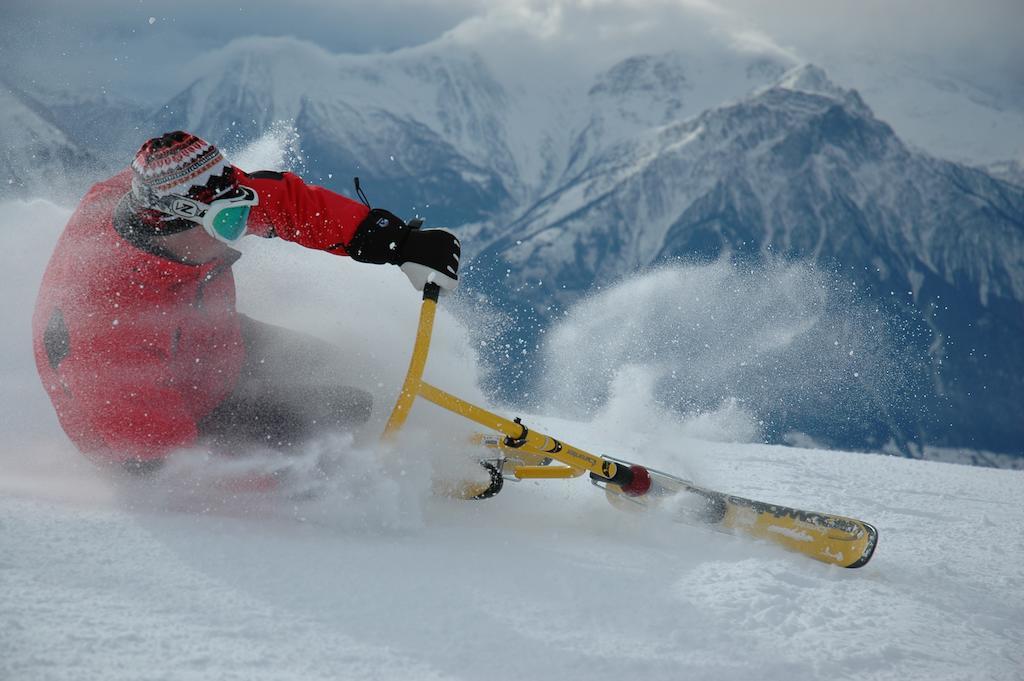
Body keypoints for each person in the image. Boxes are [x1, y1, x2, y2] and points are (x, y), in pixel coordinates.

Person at [32, 130, 460, 475]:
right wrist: (317, 478)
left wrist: (395, 241)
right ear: (174, 222)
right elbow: (169, 467)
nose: (242, 229)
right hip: (160, 426)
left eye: (239, 212)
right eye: (228, 222)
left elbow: (282, 205)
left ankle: (406, 436)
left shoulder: (190, 198)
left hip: (206, 339)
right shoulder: (107, 323)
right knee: (341, 414)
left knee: (359, 374)